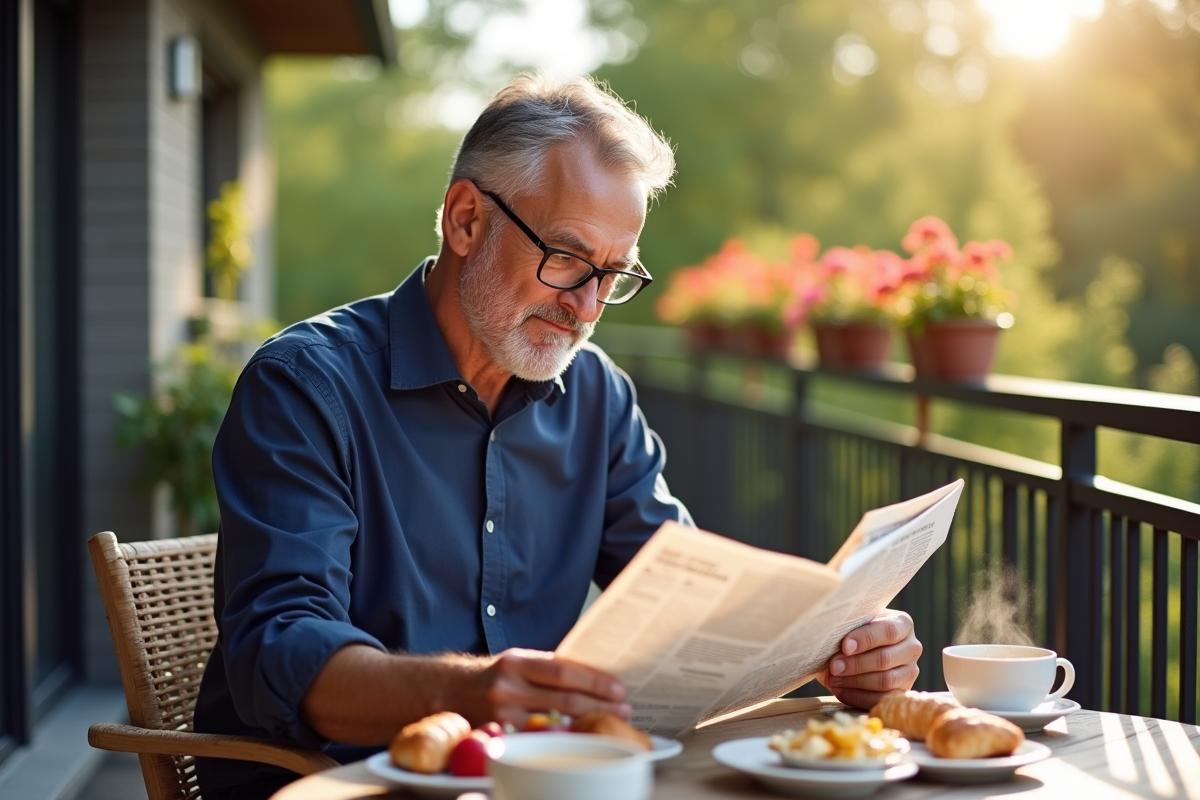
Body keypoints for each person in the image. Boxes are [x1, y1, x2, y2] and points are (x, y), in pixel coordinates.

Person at [193, 73, 922, 798]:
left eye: (612, 275)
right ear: (465, 220)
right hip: (328, 784)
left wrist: (838, 647)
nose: (585, 307)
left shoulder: (597, 395)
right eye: (567, 258)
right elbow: (278, 651)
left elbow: (693, 601)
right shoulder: (304, 385)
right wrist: (472, 693)